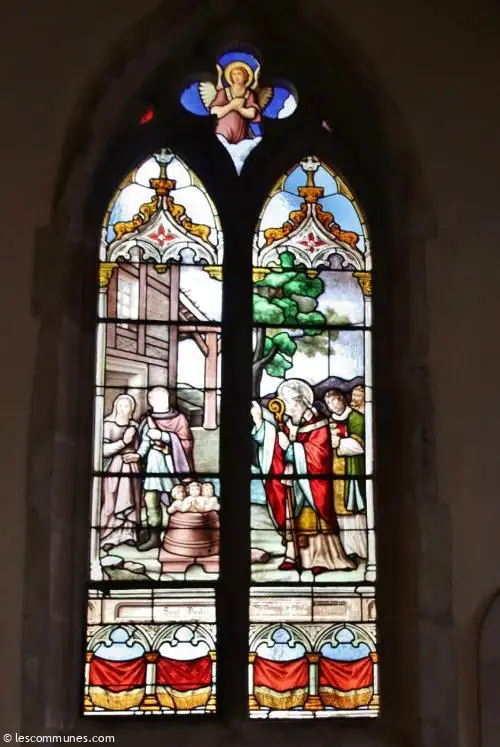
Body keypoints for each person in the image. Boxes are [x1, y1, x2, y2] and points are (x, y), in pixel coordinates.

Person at [251, 379, 355, 576]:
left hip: (313, 480)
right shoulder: (288, 424)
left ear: (299, 401)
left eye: (288, 402)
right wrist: (259, 423)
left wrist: (292, 449)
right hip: (293, 479)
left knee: (315, 516)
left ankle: (323, 558)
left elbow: (318, 454)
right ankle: (293, 555)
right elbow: (273, 444)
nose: (286, 407)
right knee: (293, 517)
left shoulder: (319, 423)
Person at [136, 387, 194, 551]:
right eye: (155, 398)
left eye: (163, 398)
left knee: (177, 499)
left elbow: (187, 443)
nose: (159, 401)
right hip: (152, 468)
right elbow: (144, 442)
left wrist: (164, 436)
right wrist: (138, 455)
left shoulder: (179, 419)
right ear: (150, 400)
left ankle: (180, 536)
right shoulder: (147, 420)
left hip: (172, 467)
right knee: (151, 500)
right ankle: (154, 537)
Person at [100, 394, 141, 551]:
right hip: (114, 469)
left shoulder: (135, 426)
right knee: (111, 501)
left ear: (132, 409)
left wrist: (136, 456)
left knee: (132, 500)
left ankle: (128, 534)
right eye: (120, 406)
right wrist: (123, 442)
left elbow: (141, 448)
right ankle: (109, 535)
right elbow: (103, 450)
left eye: (127, 406)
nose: (123, 409)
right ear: (115, 407)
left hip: (132, 468)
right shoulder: (107, 425)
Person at [324, 388, 366, 514]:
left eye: (333, 401)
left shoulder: (356, 418)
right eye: (328, 403)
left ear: (341, 398)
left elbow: (360, 445)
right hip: (333, 463)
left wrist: (339, 442)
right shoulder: (329, 420)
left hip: (353, 463)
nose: (331, 405)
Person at [210, 63, 261, 145]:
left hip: (240, 135)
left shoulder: (249, 94)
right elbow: (214, 112)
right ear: (230, 76)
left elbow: (251, 114)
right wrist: (232, 105)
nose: (236, 77)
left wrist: (239, 109)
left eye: (239, 74)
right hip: (222, 131)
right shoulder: (223, 92)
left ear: (245, 76)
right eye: (234, 74)